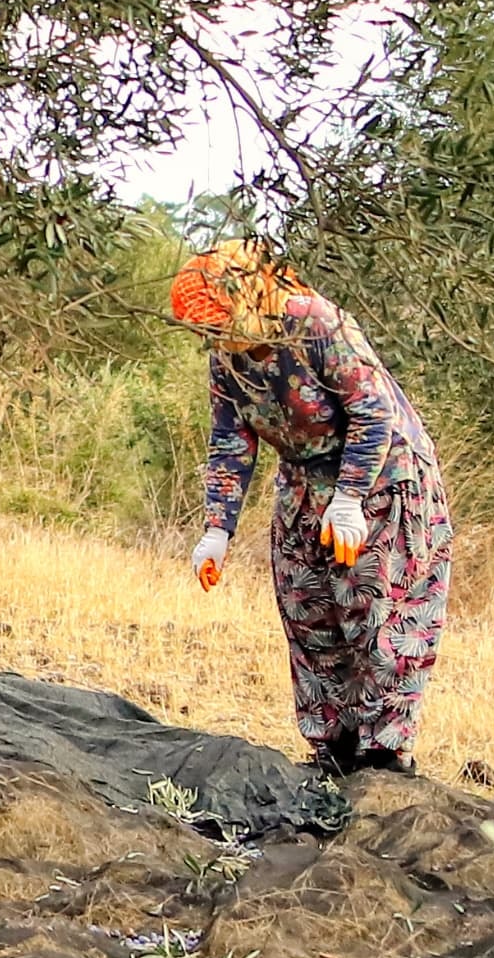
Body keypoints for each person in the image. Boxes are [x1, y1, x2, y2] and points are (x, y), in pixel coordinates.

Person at [167, 239, 453, 773]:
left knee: (376, 618)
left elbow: (374, 414)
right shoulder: (226, 357)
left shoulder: (316, 325)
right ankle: (333, 751)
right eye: (204, 330)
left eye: (218, 322)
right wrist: (217, 529)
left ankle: (384, 758)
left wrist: (348, 501)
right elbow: (231, 438)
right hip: (302, 487)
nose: (212, 338)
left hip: (381, 480)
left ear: (248, 300)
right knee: (310, 612)